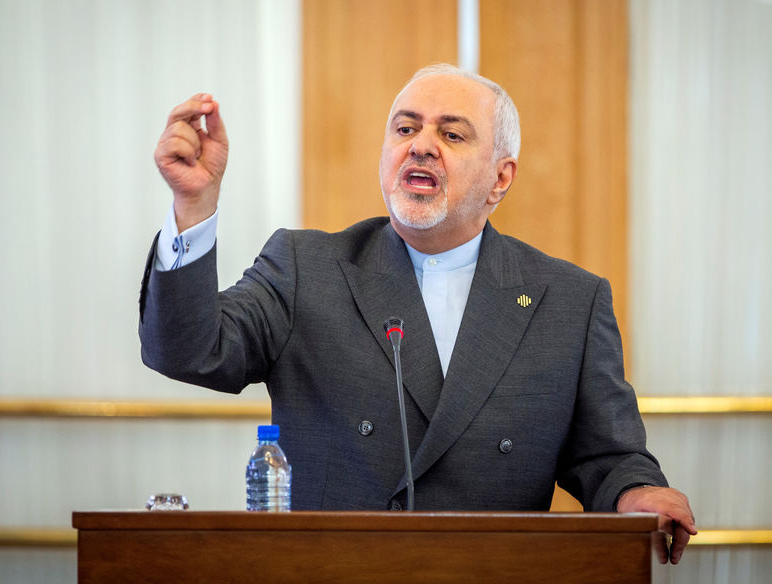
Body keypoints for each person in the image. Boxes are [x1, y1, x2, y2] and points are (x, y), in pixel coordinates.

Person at [139, 64, 696, 563]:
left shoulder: (569, 300)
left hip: (491, 574)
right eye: (405, 129)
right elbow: (190, 350)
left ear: (501, 177)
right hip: (334, 573)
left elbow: (609, 453)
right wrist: (194, 209)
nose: (421, 145)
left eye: (451, 134)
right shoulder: (305, 266)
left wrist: (638, 491)